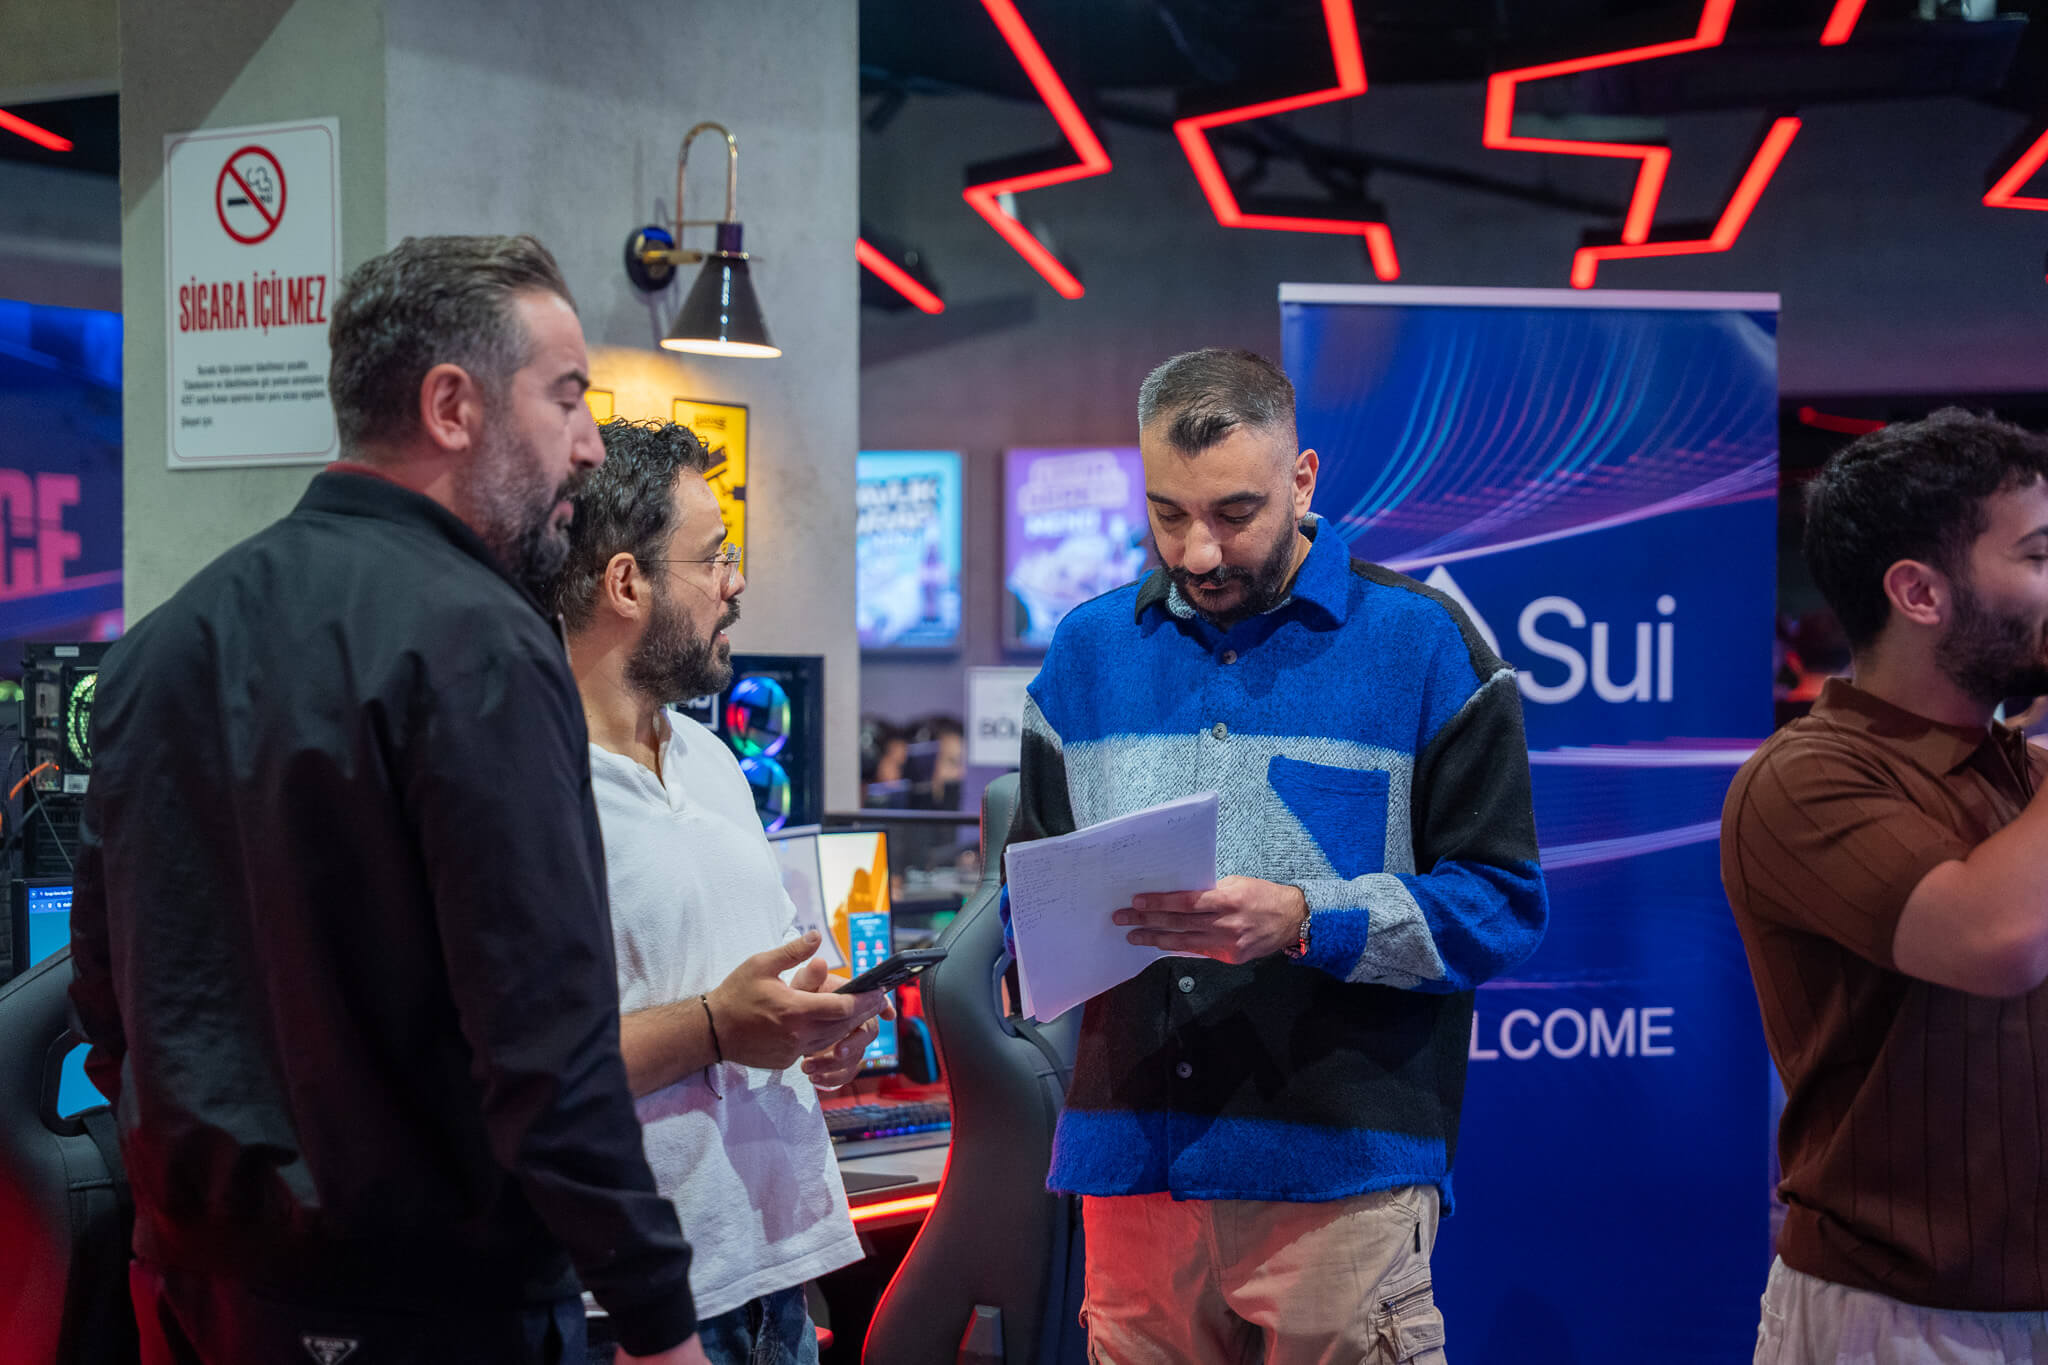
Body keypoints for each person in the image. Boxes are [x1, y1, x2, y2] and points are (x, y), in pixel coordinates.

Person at [68, 236, 707, 1365]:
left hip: (195, 1292)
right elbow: (543, 1042)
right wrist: (658, 1320)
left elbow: (107, 1000)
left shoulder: (158, 645)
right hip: (429, 1308)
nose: (590, 445)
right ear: (452, 407)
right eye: (566, 398)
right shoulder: (482, 645)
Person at [1010, 348, 1550, 1364]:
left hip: (1339, 1187)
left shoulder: (1424, 646)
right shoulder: (1086, 652)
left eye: (1234, 513)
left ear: (1302, 481)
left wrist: (1308, 917)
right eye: (1168, 514)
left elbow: (1500, 905)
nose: (1199, 551)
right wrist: (1037, 941)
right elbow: (1024, 895)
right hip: (1131, 1181)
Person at [542, 419, 885, 1365]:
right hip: (633, 1307)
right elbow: (521, 1065)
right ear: (627, 583)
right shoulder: (530, 781)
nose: (735, 582)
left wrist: (822, 1019)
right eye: (715, 557)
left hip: (774, 1278)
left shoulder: (713, 757)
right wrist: (716, 1027)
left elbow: (753, 986)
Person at [1722, 408, 2048, 1362]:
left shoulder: (2024, 773)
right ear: (1919, 592)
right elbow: (1996, 941)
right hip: (1898, 1318)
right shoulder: (1803, 778)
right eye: (2037, 556)